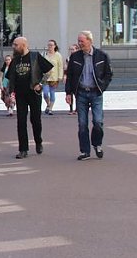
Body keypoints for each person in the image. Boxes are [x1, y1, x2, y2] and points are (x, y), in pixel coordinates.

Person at [65, 30, 113, 160]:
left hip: (96, 93)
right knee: (82, 123)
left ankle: (97, 144)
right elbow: (70, 76)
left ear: (90, 41)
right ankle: (85, 151)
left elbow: (108, 74)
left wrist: (102, 87)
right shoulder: (75, 57)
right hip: (81, 93)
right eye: (78, 41)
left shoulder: (101, 56)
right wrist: (68, 92)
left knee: (98, 121)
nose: (80, 43)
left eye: (82, 41)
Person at [5, 36, 53, 159]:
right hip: (20, 94)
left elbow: (49, 71)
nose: (14, 47)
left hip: (34, 93)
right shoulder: (15, 60)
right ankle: (23, 149)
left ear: (23, 45)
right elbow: (10, 78)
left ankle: (38, 141)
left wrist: (41, 84)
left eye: (16, 45)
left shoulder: (35, 56)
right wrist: (10, 94)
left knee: (35, 120)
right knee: (21, 121)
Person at [42, 39, 65, 115]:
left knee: (52, 92)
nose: (50, 47)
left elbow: (60, 66)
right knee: (45, 93)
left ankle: (50, 109)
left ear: (55, 46)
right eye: (49, 45)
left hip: (54, 77)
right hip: (45, 76)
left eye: (51, 45)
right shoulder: (44, 54)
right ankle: (48, 104)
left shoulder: (58, 55)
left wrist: (60, 76)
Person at [64, 44, 78, 114]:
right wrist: (65, 75)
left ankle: (77, 109)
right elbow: (66, 68)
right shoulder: (68, 58)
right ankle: (71, 108)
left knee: (77, 94)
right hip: (70, 77)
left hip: (77, 78)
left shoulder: (79, 58)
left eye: (73, 49)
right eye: (70, 49)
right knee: (69, 93)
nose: (71, 51)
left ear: (77, 50)